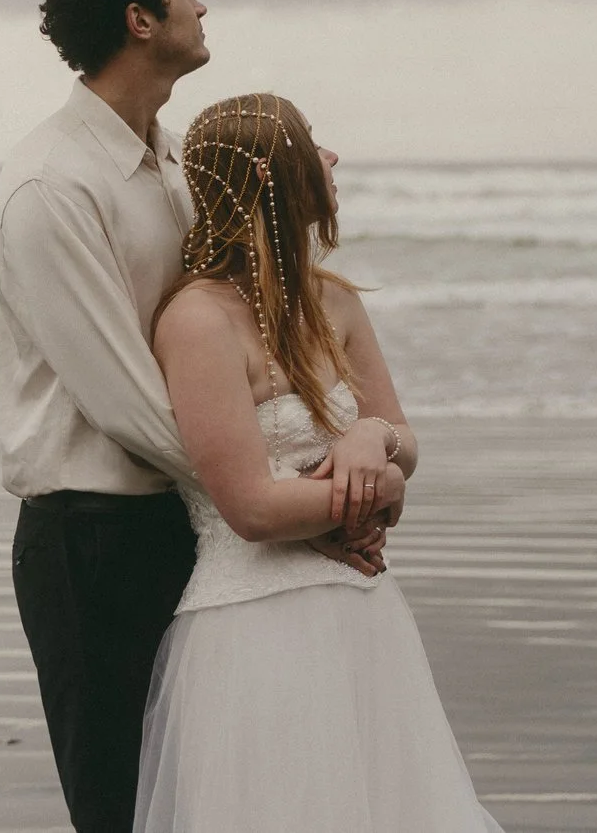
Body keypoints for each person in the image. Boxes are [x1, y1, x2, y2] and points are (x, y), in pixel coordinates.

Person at [0, 0, 382, 833]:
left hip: (191, 521)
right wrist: (289, 504)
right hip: (94, 540)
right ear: (140, 19)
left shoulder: (175, 159)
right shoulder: (52, 186)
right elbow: (126, 399)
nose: (202, 6)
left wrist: (317, 472)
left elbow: (252, 296)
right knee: (124, 808)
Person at [136, 92, 502, 833]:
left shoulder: (333, 302)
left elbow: (401, 432)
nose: (331, 157)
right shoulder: (197, 319)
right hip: (255, 628)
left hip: (364, 615)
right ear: (272, 175)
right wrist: (378, 491)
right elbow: (253, 508)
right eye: (313, 142)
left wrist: (375, 447)